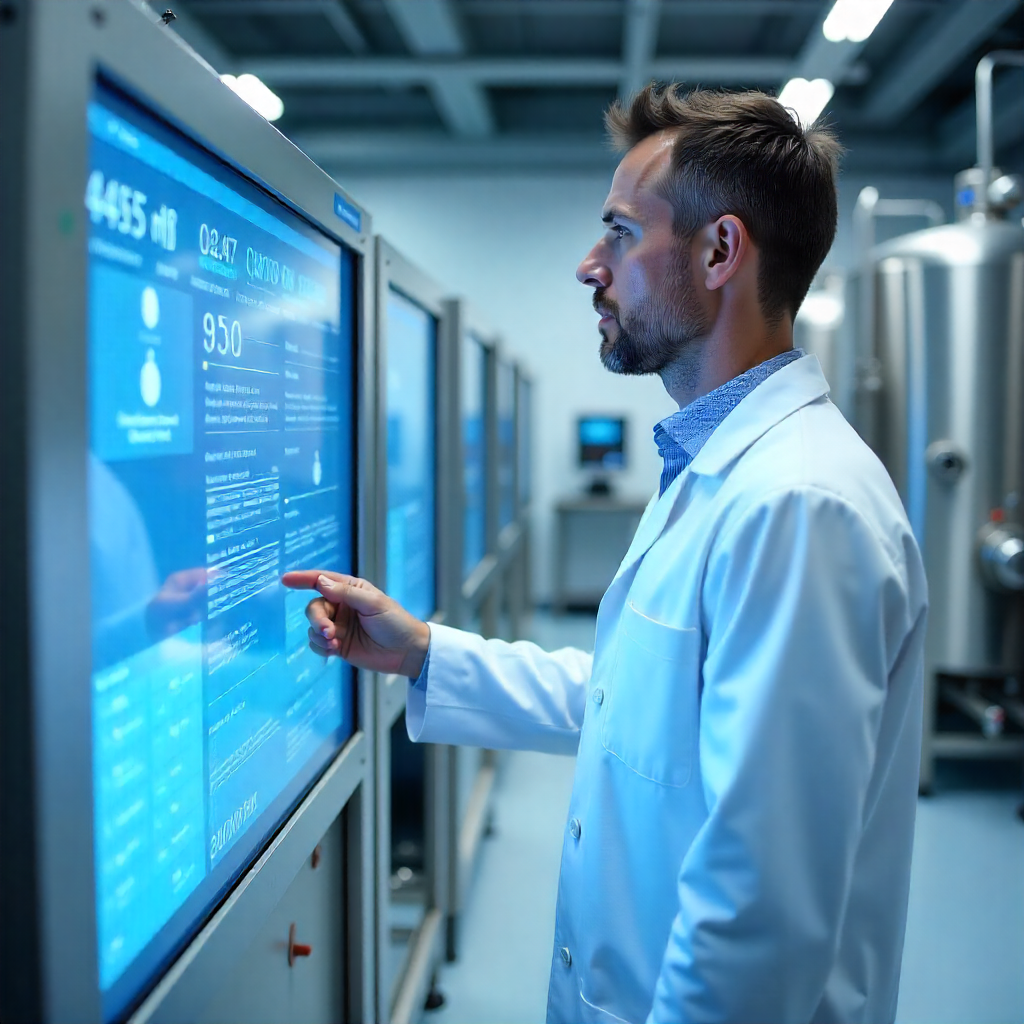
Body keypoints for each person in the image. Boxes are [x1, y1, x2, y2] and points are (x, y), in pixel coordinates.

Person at [284, 85, 927, 1024]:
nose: (590, 266)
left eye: (621, 232)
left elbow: (762, 911)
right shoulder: (720, 468)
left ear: (720, 252)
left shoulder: (798, 505)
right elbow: (642, 704)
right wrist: (424, 651)